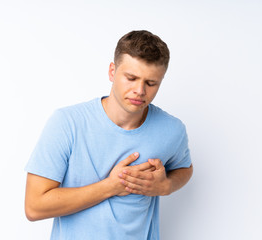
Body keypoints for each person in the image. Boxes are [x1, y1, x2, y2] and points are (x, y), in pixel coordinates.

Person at [24, 30, 193, 240]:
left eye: (151, 83)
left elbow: (184, 168)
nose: (140, 90)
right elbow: (34, 206)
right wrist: (111, 187)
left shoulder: (172, 130)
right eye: (131, 78)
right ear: (112, 71)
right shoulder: (67, 123)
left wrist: (165, 186)